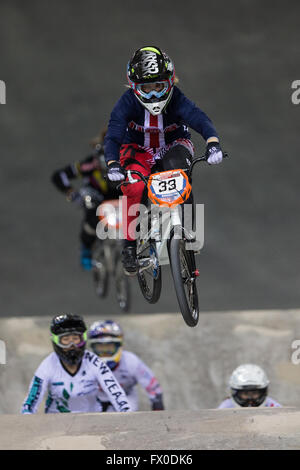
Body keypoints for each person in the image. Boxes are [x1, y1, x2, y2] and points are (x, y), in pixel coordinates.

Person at [104, 46, 224, 275]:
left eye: (158, 86)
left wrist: (212, 142)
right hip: (138, 148)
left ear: (170, 81)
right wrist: (112, 164)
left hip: (174, 144)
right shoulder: (126, 103)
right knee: (134, 186)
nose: (153, 95)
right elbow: (113, 135)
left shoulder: (177, 98)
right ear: (133, 87)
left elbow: (199, 119)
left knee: (179, 172)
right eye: (145, 88)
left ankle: (188, 228)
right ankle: (129, 245)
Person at [21, 314, 132, 414]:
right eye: (65, 339)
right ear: (55, 341)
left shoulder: (94, 361)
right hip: (56, 423)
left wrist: (127, 413)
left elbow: (116, 393)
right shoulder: (47, 365)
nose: (72, 345)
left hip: (92, 421)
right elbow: (31, 401)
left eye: (75, 338)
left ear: (83, 339)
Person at [51, 129, 121, 270]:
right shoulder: (89, 164)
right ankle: (86, 248)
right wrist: (71, 192)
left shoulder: (128, 158)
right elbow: (60, 175)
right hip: (97, 197)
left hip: (120, 197)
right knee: (91, 213)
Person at [88, 320, 164, 411]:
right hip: (95, 399)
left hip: (126, 398)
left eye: (109, 347)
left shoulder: (131, 361)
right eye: (100, 347)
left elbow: (153, 386)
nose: (105, 353)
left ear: (118, 345)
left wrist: (158, 409)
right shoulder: (86, 362)